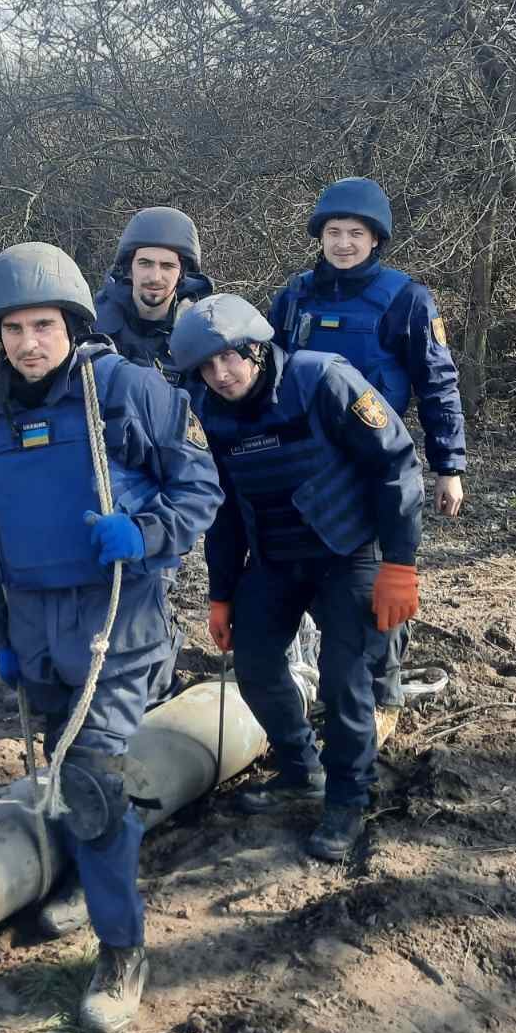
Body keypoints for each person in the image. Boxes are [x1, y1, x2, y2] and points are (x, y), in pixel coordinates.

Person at [0, 242, 222, 1033]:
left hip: (119, 628)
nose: (28, 343)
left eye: (43, 325)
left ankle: (121, 951)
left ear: (71, 322)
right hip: (36, 632)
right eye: (12, 330)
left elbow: (200, 485)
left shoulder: (129, 391)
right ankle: (82, 883)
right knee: (67, 776)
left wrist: (143, 533)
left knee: (97, 783)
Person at [169, 294, 424, 862]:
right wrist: (221, 593)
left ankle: (347, 798)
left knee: (343, 678)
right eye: (206, 368)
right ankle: (298, 768)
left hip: (349, 551)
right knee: (256, 665)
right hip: (276, 558)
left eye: (230, 358)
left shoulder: (324, 380)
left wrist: (400, 564)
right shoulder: (210, 412)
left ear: (258, 349)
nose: (221, 374)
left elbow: (396, 466)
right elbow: (226, 508)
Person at [268, 177, 465, 737]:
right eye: (334, 232)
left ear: (376, 240)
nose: (344, 243)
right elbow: (265, 374)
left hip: (375, 463)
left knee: (378, 579)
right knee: (302, 572)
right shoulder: (295, 295)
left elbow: (438, 386)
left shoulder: (408, 300)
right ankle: (312, 676)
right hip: (302, 464)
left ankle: (382, 693)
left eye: (356, 233)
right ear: (320, 237)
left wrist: (448, 465)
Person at [93, 206, 214, 384]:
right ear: (129, 267)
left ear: (182, 273)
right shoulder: (91, 324)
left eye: (167, 266)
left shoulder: (203, 332)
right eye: (145, 263)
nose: (155, 277)